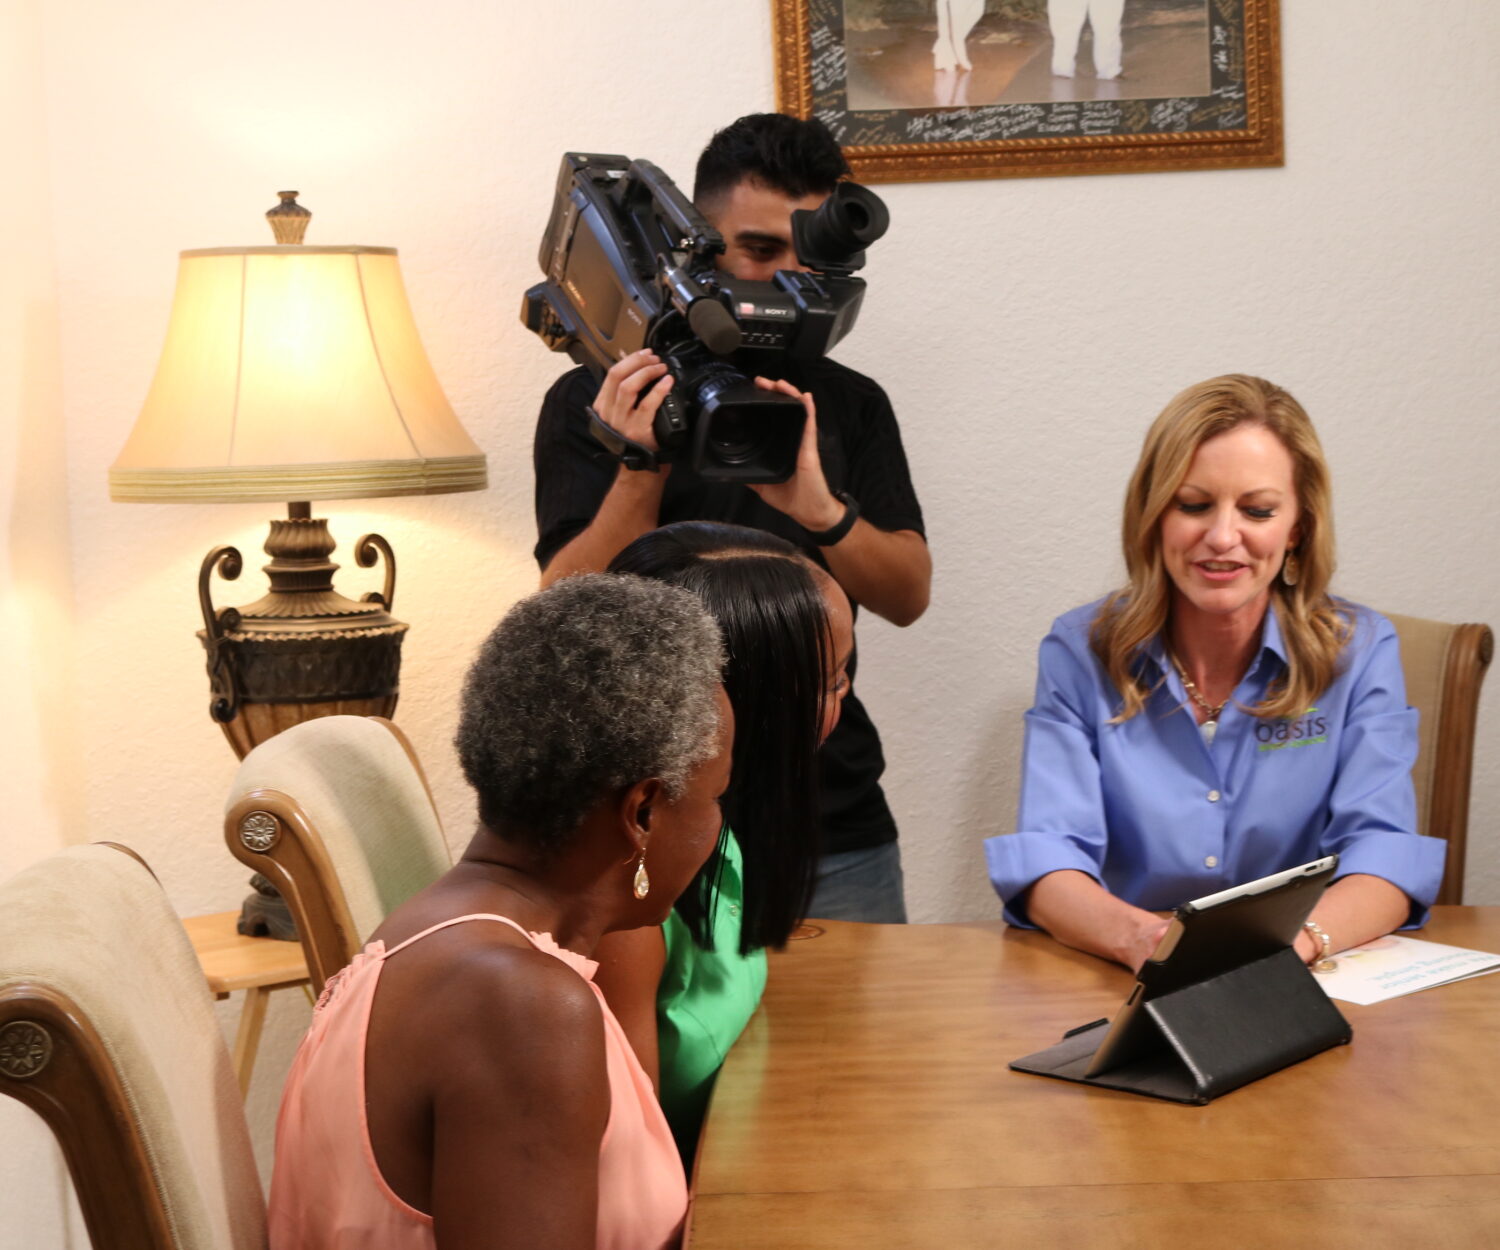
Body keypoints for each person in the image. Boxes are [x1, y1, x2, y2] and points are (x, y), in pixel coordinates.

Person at [533, 112, 930, 924]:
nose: (785, 277)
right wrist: (640, 464)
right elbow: (561, 610)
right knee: (657, 1052)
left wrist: (820, 512)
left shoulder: (848, 400)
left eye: (805, 253)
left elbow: (907, 595)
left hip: (826, 815)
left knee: (862, 1052)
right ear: (695, 243)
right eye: (758, 250)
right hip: (642, 812)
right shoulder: (595, 399)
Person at [268, 574, 731, 1250]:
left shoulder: (441, 940)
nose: (719, 822)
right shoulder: (520, 1007)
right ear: (643, 811)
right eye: (718, 794)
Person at [985, 374, 1445, 972]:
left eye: (1257, 510)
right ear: (1154, 515)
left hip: (1299, 972)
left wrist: (1291, 948)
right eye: (1194, 505)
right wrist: (1146, 944)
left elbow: (1382, 855)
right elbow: (1048, 859)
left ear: (1298, 526)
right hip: (1125, 973)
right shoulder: (1079, 650)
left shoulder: (1360, 651)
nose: (1223, 537)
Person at [595, 521, 854, 1162]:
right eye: (830, 681)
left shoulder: (713, 824)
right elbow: (627, 1167)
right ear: (737, 701)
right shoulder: (623, 894)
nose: (845, 697)